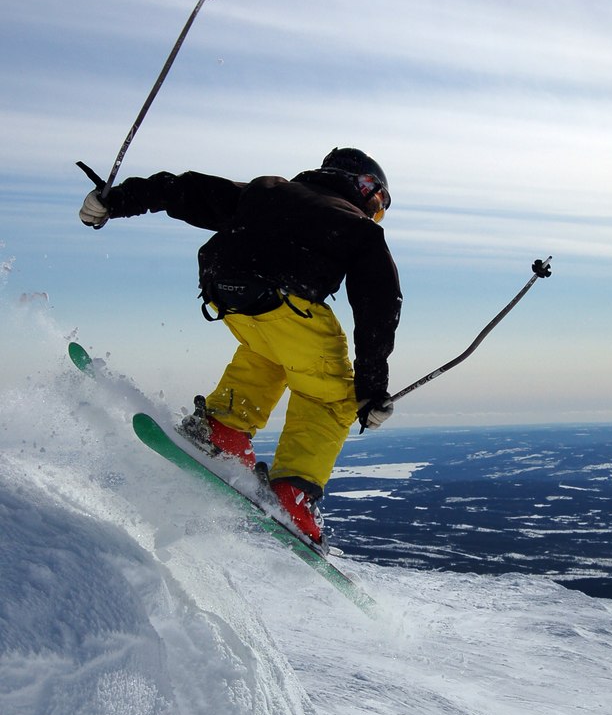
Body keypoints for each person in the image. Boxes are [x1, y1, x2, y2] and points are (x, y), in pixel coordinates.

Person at [79, 148, 402, 544]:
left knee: (269, 354)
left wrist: (117, 200)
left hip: (227, 292)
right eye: (380, 203)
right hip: (287, 296)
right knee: (330, 396)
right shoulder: (359, 227)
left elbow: (186, 190)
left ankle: (221, 429)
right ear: (365, 187)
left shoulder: (268, 190)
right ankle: (293, 494)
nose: (376, 212)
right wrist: (369, 391)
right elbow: (378, 308)